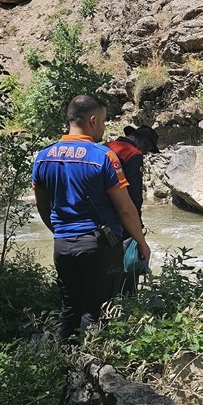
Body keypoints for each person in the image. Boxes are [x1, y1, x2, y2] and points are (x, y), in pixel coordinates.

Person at [32, 94, 151, 342]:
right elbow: (125, 208)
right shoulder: (102, 156)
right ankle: (92, 366)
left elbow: (43, 206)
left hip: (63, 244)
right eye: (105, 121)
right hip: (98, 245)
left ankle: (64, 361)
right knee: (96, 310)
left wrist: (59, 230)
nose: (105, 127)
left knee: (70, 307)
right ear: (94, 121)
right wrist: (140, 242)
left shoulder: (43, 156)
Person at [107, 124, 160, 294]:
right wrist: (137, 225)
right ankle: (126, 300)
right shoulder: (133, 155)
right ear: (137, 139)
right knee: (129, 262)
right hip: (120, 216)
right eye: (146, 147)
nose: (145, 152)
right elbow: (134, 195)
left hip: (99, 216)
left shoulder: (104, 147)